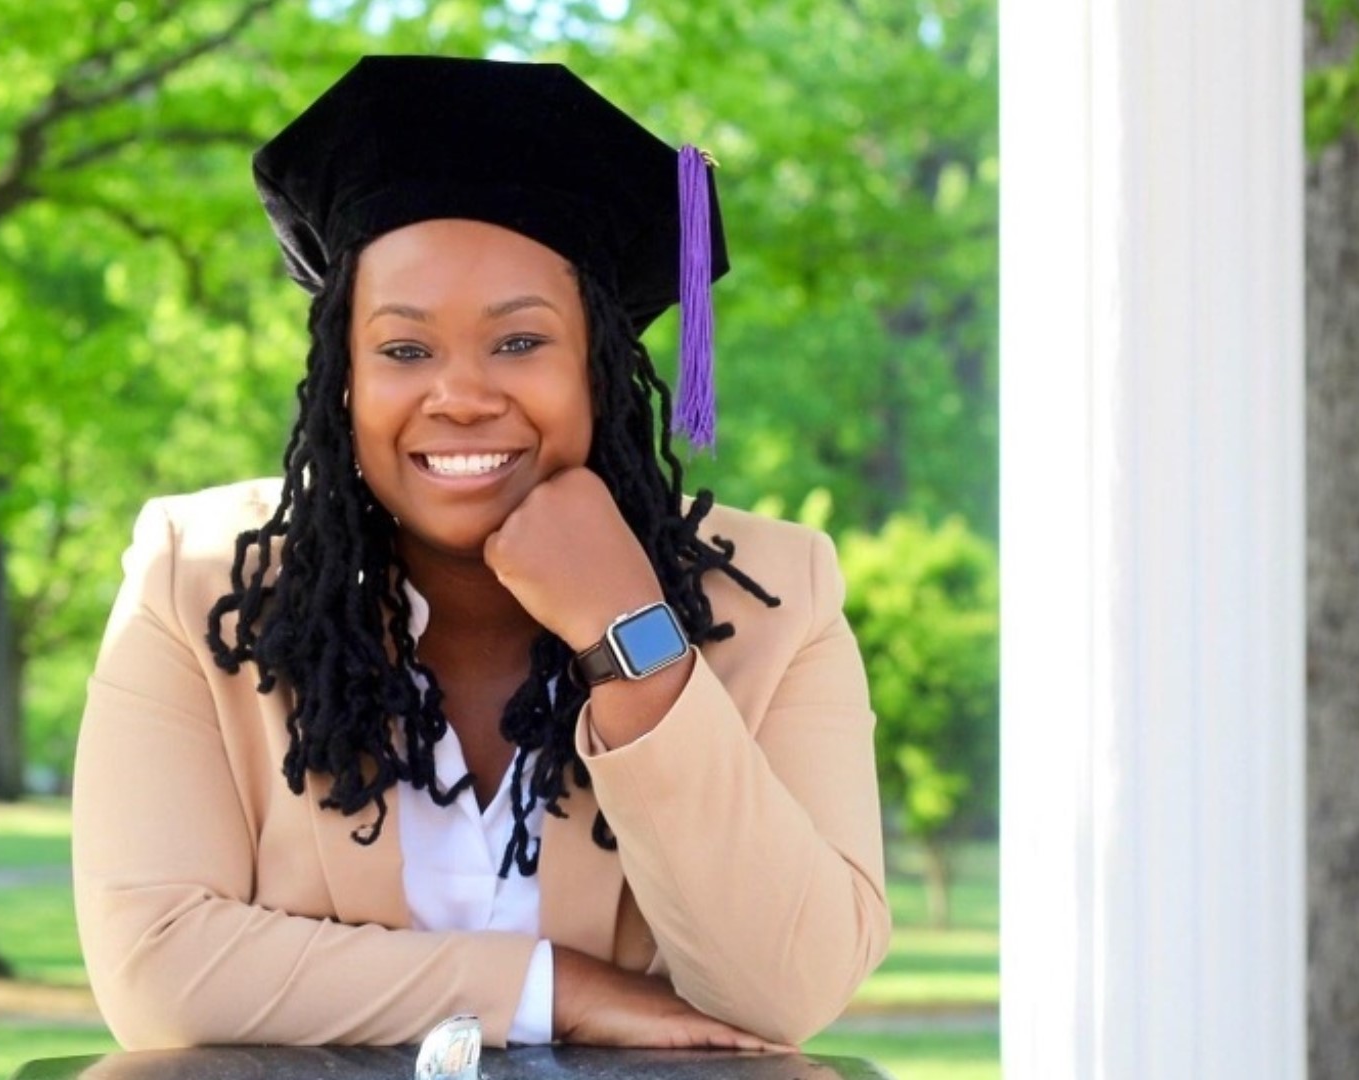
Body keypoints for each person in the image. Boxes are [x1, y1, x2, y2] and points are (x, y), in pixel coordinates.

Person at [72, 54, 889, 1053]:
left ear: (600, 369)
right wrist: (555, 993)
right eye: (404, 350)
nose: (460, 394)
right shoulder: (203, 583)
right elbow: (159, 973)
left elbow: (789, 993)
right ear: (341, 382)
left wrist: (634, 640)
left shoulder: (772, 599)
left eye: (518, 343)